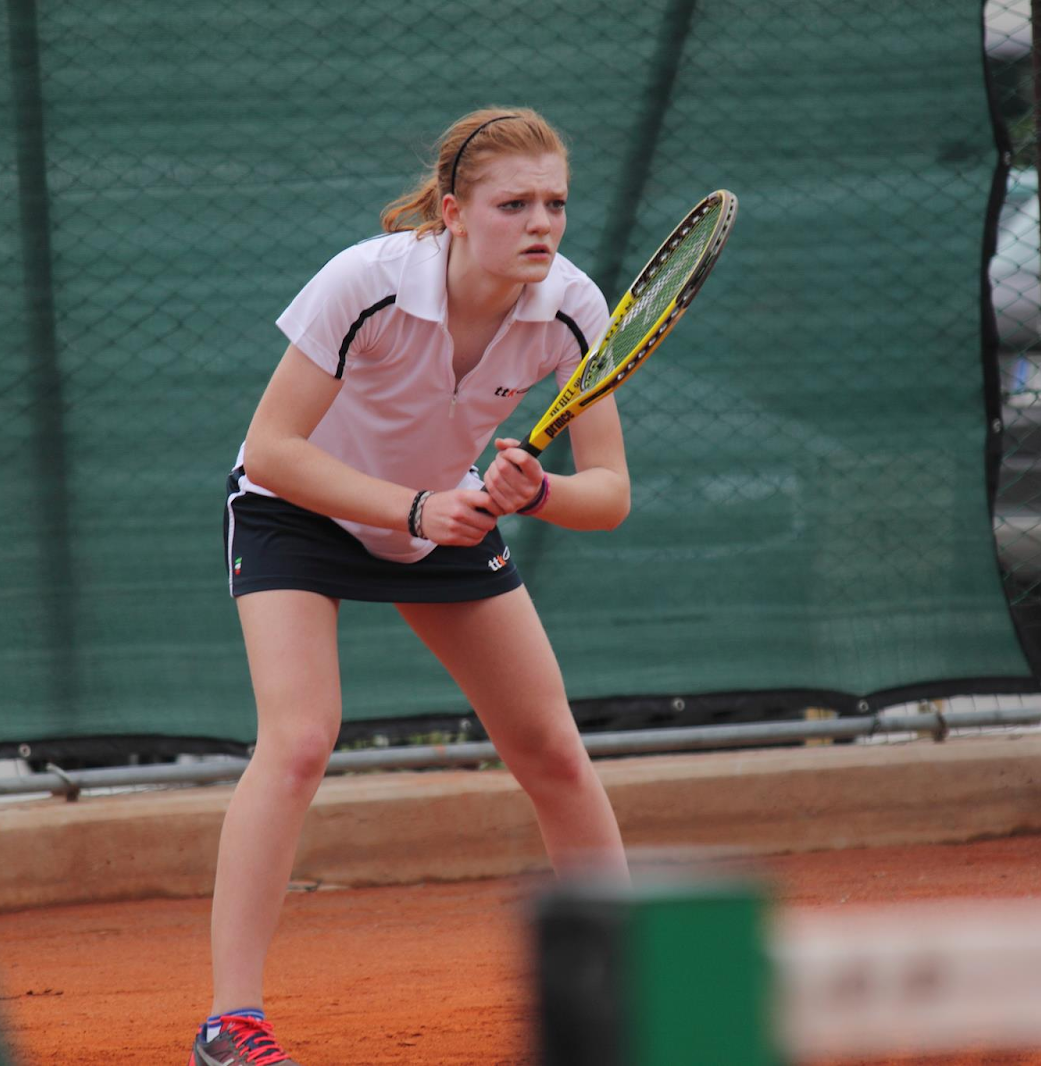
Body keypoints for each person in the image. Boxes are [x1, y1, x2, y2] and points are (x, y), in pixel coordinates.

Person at [193, 106, 633, 1066]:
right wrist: (416, 509)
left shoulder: (573, 308)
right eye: (514, 203)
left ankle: (621, 998)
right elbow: (272, 448)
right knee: (302, 740)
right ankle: (232, 1023)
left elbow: (608, 495)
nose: (541, 224)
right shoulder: (365, 282)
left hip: (439, 513)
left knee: (553, 750)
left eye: (555, 203)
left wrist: (539, 490)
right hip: (295, 510)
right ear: (453, 212)